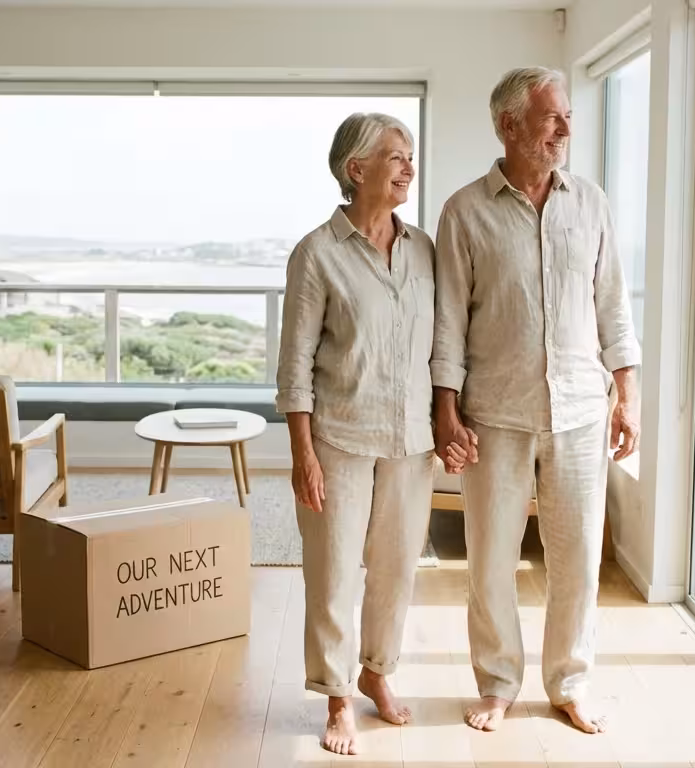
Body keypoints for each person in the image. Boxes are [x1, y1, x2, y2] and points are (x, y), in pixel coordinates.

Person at [431, 67, 642, 735]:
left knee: (577, 558)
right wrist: (446, 408)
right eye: (553, 117)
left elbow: (614, 307)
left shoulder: (592, 204)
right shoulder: (465, 210)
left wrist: (627, 395)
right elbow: (447, 325)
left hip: (582, 409)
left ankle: (569, 683)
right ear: (510, 126)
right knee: (490, 559)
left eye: (568, 116)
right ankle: (497, 683)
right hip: (494, 414)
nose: (566, 128)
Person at [275, 112, 437, 756]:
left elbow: (441, 343)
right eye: (394, 156)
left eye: (410, 156)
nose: (407, 166)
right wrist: (302, 454)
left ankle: (378, 671)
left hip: (411, 439)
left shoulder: (423, 249)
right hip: (339, 438)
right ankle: (339, 695)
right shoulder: (316, 254)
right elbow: (294, 365)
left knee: (396, 569)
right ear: (356, 169)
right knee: (334, 571)